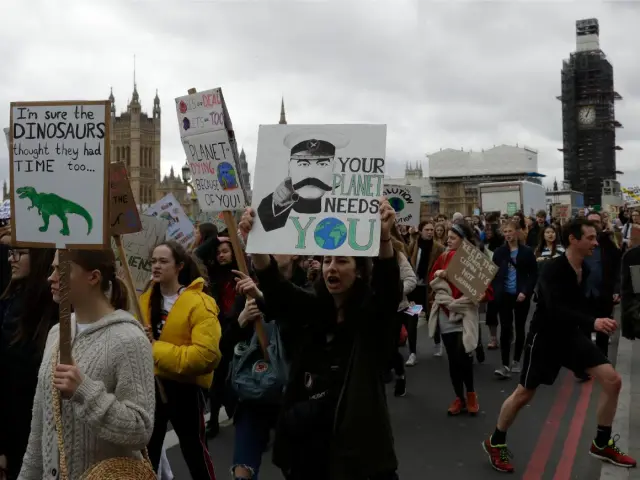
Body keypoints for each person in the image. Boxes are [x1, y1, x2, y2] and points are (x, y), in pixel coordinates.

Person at [237, 199, 401, 480]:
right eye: (327, 261)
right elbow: (279, 291)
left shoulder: (369, 317)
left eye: (341, 261)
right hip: (308, 448)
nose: (331, 268)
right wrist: (258, 244)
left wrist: (384, 237)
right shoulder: (311, 307)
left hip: (358, 448)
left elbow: (387, 292)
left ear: (359, 270)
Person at [483, 219, 636, 473]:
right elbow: (555, 310)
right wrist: (593, 321)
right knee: (524, 394)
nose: (595, 242)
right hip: (545, 338)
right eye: (590, 238)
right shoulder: (553, 270)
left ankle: (601, 442)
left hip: (570, 337)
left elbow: (580, 305)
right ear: (574, 240)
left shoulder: (583, 269)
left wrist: (604, 313)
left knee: (612, 380)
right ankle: (495, 441)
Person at [19, 249, 155, 480]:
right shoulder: (56, 333)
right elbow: (41, 422)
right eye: (52, 269)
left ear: (93, 277)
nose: (51, 277)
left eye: (60, 270)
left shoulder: (129, 339)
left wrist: (85, 391)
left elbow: (141, 429)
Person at [140, 241, 221, 479]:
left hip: (185, 390)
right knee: (147, 454)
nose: (156, 266)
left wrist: (156, 349)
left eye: (163, 261)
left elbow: (206, 356)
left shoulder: (199, 302)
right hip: (150, 387)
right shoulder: (143, 300)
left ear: (179, 266)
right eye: (153, 261)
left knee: (194, 452)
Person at [0, 248, 58, 480]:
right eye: (11, 252)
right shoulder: (12, 305)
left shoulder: (57, 314)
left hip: (42, 434)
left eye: (19, 253)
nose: (10, 259)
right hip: (15, 431)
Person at [428, 222, 491, 416]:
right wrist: (441, 281)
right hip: (447, 312)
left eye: (453, 237)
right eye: (448, 237)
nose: (448, 240)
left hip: (465, 313)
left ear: (463, 240)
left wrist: (481, 296)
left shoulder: (474, 259)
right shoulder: (444, 256)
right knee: (453, 360)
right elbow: (432, 280)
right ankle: (459, 398)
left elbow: (487, 289)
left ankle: (471, 394)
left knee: (463, 357)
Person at [257, 131, 350, 232]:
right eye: (303, 164)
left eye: (322, 164)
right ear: (289, 168)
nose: (311, 173)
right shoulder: (269, 206)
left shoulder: (348, 206)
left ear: (333, 168)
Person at [491, 221, 537, 378]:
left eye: (510, 231)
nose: (508, 234)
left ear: (517, 232)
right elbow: (493, 274)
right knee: (504, 329)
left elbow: (533, 274)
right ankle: (504, 364)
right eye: (505, 232)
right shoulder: (499, 252)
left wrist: (525, 291)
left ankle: (517, 359)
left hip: (521, 296)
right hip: (504, 296)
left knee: (519, 328)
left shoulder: (526, 252)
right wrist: (496, 291)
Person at [408, 221, 445, 362]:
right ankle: (412, 353)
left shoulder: (439, 248)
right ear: (421, 231)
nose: (430, 232)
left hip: (429, 290)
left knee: (432, 317)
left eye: (431, 229)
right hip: (415, 290)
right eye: (427, 229)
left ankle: (437, 343)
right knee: (412, 319)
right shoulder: (414, 245)